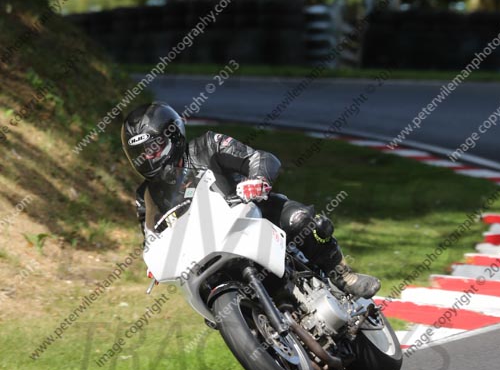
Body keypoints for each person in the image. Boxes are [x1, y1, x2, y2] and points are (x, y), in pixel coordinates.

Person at [121, 101, 380, 299]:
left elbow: (260, 158)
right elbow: (152, 238)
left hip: (249, 216)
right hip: (204, 253)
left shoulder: (207, 146)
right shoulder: (145, 196)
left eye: (152, 148)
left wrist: (257, 179)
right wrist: (154, 263)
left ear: (173, 136)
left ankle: (342, 274)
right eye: (140, 154)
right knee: (201, 291)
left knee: (300, 220)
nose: (148, 158)